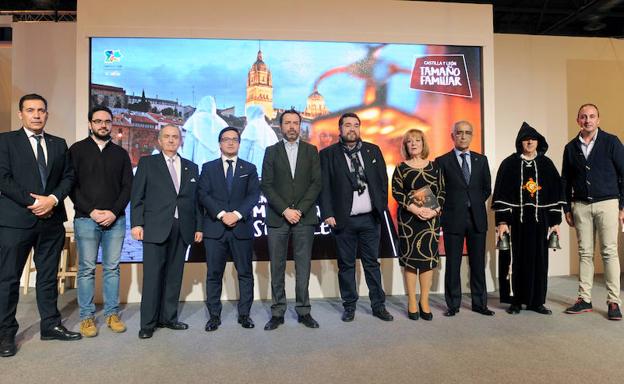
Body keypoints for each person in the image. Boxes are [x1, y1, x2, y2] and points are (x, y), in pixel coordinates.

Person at [0, 94, 80, 358]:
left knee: (48, 278)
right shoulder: (5, 141)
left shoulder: (59, 144)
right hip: (16, 222)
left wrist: (53, 199)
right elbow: (3, 178)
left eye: (41, 110)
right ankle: (5, 334)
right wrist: (34, 203)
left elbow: (68, 176)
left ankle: (50, 325)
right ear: (20, 113)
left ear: (47, 114)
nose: (36, 114)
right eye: (30, 110)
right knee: (8, 279)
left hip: (52, 221)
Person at [319, 112, 393, 322]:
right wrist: (327, 213)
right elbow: (323, 188)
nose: (352, 129)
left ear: (360, 128)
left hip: (370, 219)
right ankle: (349, 306)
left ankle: (378, 306)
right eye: (347, 125)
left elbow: (381, 181)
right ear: (340, 129)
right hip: (344, 220)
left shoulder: (372, 150)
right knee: (346, 265)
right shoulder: (328, 154)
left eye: (356, 125)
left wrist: (381, 207)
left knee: (372, 264)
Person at [131, 124, 203, 339]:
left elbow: (195, 201)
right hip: (154, 228)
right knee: (153, 276)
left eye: (175, 137)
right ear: (159, 141)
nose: (171, 140)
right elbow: (138, 196)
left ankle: (169, 318)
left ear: (180, 140)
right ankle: (148, 323)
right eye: (167, 137)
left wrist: (199, 227)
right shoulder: (147, 163)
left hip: (182, 229)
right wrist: (136, 224)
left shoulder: (191, 167)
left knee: (174, 275)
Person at [69, 106, 133, 337]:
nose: (103, 125)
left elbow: (128, 187)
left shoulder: (121, 154)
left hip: (115, 221)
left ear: (112, 124)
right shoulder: (76, 150)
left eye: (107, 121)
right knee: (86, 270)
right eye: (98, 121)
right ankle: (86, 317)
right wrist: (91, 211)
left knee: (112, 269)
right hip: (86, 219)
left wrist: (114, 212)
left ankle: (111, 314)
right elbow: (71, 186)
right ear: (90, 124)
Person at [492, 122, 564, 315]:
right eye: (526, 139)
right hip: (516, 221)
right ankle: (516, 300)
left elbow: (555, 193)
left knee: (540, 261)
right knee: (515, 260)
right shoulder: (509, 164)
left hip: (540, 220)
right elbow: (502, 194)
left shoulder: (546, 165)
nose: (530, 142)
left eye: (533, 139)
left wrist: (555, 222)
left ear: (538, 141)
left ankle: (537, 301)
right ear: (520, 142)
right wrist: (502, 222)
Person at [561, 103, 624, 320]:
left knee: (609, 251)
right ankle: (584, 299)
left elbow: (623, 174)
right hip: (580, 205)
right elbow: (565, 180)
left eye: (592, 116)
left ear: (598, 119)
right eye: (583, 117)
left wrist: (622, 206)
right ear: (578, 120)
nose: (587, 120)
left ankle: (614, 301)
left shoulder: (611, 142)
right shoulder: (570, 148)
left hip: (608, 203)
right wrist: (566, 207)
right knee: (585, 253)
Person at [261, 109, 322, 330]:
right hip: (278, 218)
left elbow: (316, 183)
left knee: (303, 266)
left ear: (300, 125)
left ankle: (304, 311)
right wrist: (285, 210)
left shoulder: (311, 151)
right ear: (281, 126)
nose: (292, 127)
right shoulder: (271, 151)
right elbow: (266, 184)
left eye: (295, 123)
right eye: (287, 123)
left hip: (304, 219)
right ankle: (277, 312)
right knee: (277, 267)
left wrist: (300, 210)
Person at [198, 127, 260, 331]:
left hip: (241, 229)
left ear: (239, 143)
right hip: (215, 229)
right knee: (214, 274)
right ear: (220, 143)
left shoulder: (250, 169)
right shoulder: (208, 168)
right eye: (226, 139)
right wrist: (222, 215)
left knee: (245, 273)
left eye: (234, 139)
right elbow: (203, 194)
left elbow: (253, 196)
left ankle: (245, 315)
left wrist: (237, 215)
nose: (231, 143)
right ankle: (214, 316)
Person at [436, 120, 494, 317]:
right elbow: (438, 190)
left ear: (472, 135)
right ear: (452, 136)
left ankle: (480, 303)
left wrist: (473, 202)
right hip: (453, 218)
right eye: (459, 132)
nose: (463, 136)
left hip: (477, 218)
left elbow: (486, 188)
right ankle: (453, 304)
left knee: (478, 264)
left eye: (467, 132)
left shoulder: (481, 160)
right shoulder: (442, 161)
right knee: (452, 264)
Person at [392, 129, 444, 321]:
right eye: (409, 141)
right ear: (405, 146)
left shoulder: (435, 167)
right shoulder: (401, 168)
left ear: (423, 144)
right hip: (409, 220)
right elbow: (397, 192)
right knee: (412, 261)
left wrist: (434, 210)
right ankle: (412, 301)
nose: (413, 144)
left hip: (430, 220)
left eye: (417, 140)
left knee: (428, 260)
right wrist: (415, 209)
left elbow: (442, 192)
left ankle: (424, 301)